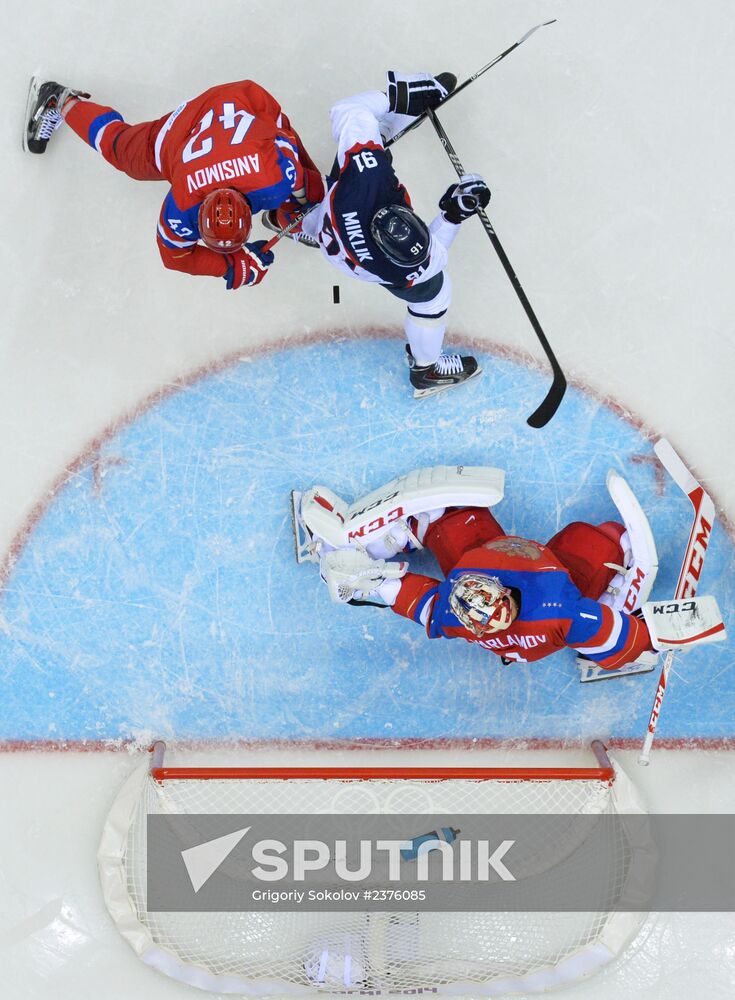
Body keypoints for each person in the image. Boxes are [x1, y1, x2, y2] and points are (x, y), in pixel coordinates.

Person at [292, 466, 722, 674]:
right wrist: (674, 632)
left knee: (447, 512)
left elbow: (415, 599)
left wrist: (363, 577)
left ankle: (376, 541)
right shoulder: (564, 609)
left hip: (509, 599)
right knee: (610, 540)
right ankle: (611, 600)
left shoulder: (453, 610)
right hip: (559, 590)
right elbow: (629, 639)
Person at [264, 72, 491, 397]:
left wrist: (402, 96)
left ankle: (297, 219)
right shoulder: (406, 267)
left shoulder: (367, 181)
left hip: (337, 217)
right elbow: (437, 247)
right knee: (436, 296)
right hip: (347, 248)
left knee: (365, 135)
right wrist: (454, 211)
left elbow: (347, 110)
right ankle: (427, 368)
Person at [23, 78, 325, 290]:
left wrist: (235, 265)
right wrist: (228, 265)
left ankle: (292, 220)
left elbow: (177, 257)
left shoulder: (184, 206)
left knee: (308, 192)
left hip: (244, 104)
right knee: (125, 155)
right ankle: (58, 100)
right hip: (196, 125)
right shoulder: (262, 181)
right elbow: (175, 258)